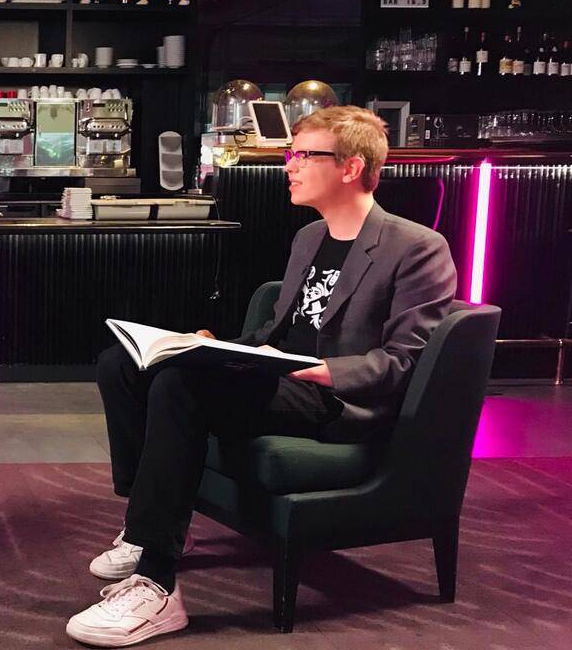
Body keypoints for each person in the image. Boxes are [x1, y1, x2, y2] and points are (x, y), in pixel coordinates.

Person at [68, 106, 457, 646]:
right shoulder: (310, 237)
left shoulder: (416, 247)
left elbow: (405, 361)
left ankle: (157, 584)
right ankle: (145, 525)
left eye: (303, 155)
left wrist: (324, 371)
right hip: (280, 378)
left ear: (350, 167)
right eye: (290, 154)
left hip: (335, 398)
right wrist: (219, 347)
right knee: (123, 364)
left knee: (180, 386)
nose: (289, 165)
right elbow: (279, 331)